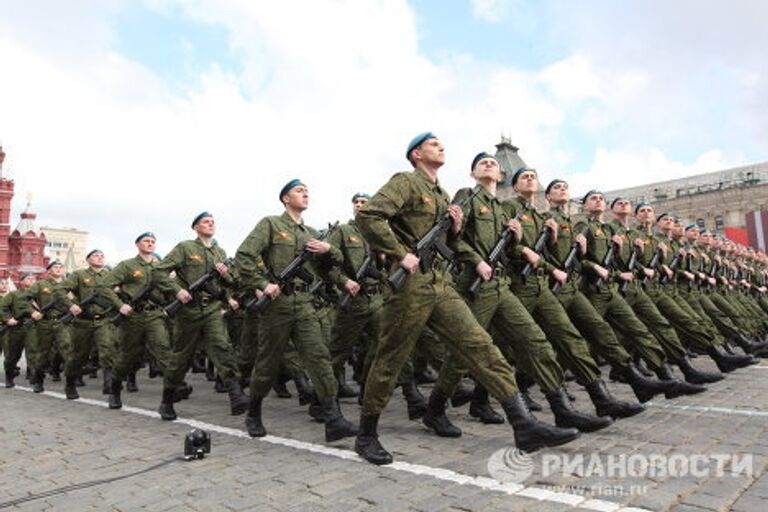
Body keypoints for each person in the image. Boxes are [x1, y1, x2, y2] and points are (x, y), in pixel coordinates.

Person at [354, 132, 579, 465]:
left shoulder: (442, 194)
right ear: (417, 154)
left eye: (441, 143)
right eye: (433, 144)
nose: (441, 146)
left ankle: (524, 424)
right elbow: (369, 216)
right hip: (411, 286)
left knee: (480, 346)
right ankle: (366, 435)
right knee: (390, 357)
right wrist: (399, 254)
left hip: (440, 282)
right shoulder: (406, 181)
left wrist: (455, 230)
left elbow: (445, 241)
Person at [234, 179, 358, 443]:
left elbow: (330, 268)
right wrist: (262, 284)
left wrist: (329, 249)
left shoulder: (311, 234)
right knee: (267, 361)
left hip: (304, 302)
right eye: (299, 191)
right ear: (285, 199)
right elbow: (244, 256)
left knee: (319, 357)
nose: (305, 194)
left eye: (307, 191)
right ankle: (253, 413)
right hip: (277, 305)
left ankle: (333, 419)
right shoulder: (271, 224)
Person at [152, 212, 249, 420]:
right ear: (195, 227)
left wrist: (226, 275)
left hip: (212, 309)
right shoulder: (185, 248)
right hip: (188, 311)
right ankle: (167, 400)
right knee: (180, 357)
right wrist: (177, 290)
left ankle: (236, 394)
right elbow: (159, 272)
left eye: (213, 221)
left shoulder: (219, 252)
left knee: (222, 346)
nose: (211, 224)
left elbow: (230, 284)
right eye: (206, 221)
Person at [101, 232, 173, 409]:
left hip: (154, 316)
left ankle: (168, 401)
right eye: (146, 241)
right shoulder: (127, 265)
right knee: (127, 357)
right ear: (137, 244)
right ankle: (115, 390)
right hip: (133, 317)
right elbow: (104, 286)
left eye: (153, 242)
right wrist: (119, 305)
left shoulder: (161, 267)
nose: (150, 244)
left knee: (164, 353)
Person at [55, 250, 117, 400]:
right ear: (88, 260)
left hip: (103, 320)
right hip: (83, 321)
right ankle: (70, 383)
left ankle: (109, 385)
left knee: (108, 350)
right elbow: (59, 290)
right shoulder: (80, 275)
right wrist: (70, 305)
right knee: (78, 355)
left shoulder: (110, 275)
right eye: (96, 255)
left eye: (102, 255)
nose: (100, 257)